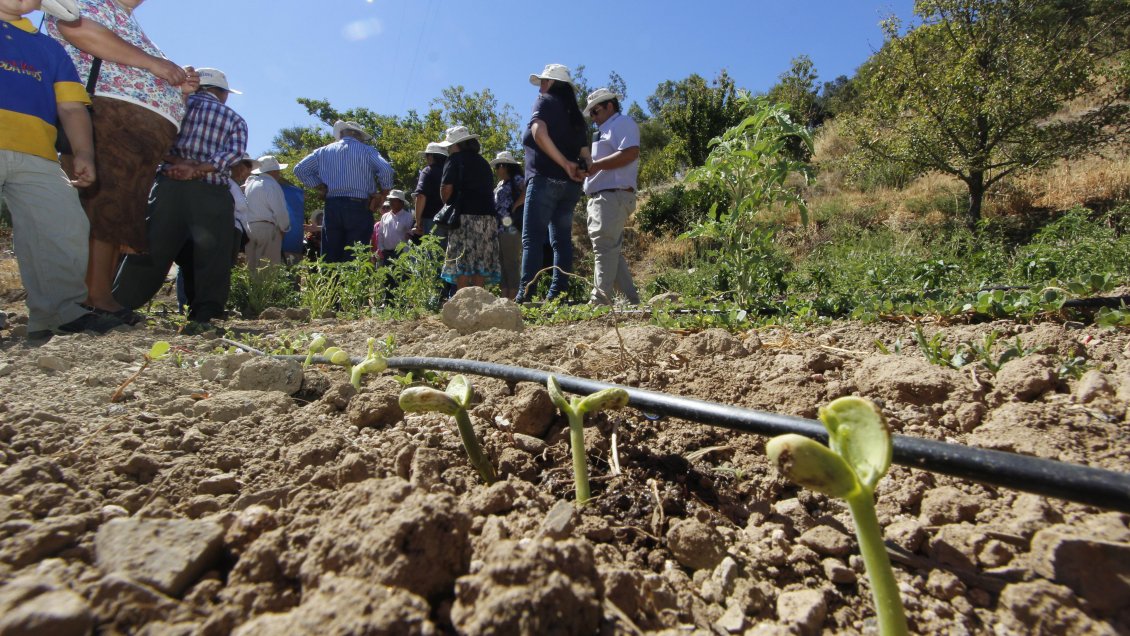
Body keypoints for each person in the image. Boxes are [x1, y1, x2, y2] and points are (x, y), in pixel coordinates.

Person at [47, 0, 197, 324]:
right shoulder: (88, 2)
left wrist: (178, 88)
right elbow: (76, 28)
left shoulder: (127, 21)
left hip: (129, 130)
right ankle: (90, 298)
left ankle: (100, 295)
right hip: (105, 118)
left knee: (117, 212)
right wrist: (155, 65)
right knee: (102, 206)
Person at [0, 0, 123, 339]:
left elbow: (71, 107)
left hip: (39, 154)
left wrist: (84, 152)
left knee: (63, 227)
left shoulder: (49, 47)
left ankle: (60, 313)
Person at [113, 67, 248, 328]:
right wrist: (199, 169)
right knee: (213, 255)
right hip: (211, 191)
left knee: (152, 247)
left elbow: (154, 141)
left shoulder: (174, 107)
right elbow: (232, 155)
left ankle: (120, 304)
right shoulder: (234, 119)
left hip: (169, 186)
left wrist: (180, 163)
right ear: (221, 92)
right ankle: (204, 316)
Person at [515, 64, 589, 303]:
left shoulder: (545, 102)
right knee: (561, 242)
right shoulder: (575, 115)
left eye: (543, 82)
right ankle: (558, 295)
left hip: (545, 179)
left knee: (532, 240)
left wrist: (565, 163)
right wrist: (577, 170)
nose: (540, 88)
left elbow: (538, 133)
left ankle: (526, 296)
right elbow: (587, 157)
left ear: (551, 84)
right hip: (570, 187)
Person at [293, 120, 394, 263]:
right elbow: (386, 170)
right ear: (355, 133)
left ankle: (332, 284)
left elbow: (300, 170)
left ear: (342, 133)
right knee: (355, 254)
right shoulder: (367, 151)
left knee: (331, 254)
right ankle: (352, 284)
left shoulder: (324, 151)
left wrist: (320, 186)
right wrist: (384, 193)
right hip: (359, 206)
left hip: (332, 204)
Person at [582, 88, 641, 305]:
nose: (593, 118)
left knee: (605, 247)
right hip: (604, 196)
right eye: (591, 114)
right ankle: (631, 300)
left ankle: (599, 300)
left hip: (611, 195)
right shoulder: (606, 129)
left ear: (609, 106)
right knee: (610, 249)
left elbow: (630, 152)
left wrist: (595, 166)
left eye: (595, 111)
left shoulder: (621, 123)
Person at [175, 153, 255, 312]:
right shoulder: (223, 183)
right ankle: (190, 306)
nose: (246, 172)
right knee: (198, 266)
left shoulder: (232, 185)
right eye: (245, 166)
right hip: (219, 228)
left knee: (218, 268)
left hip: (230, 229)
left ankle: (209, 306)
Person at [437, 126, 500, 290]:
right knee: (480, 260)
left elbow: (446, 189)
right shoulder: (484, 163)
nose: (449, 148)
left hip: (464, 216)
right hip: (488, 218)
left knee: (462, 260)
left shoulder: (454, 160)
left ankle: (462, 302)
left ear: (456, 144)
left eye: (450, 145)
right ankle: (478, 301)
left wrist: (447, 203)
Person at [243, 155, 291, 272]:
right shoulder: (271, 184)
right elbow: (280, 210)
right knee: (268, 270)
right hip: (267, 229)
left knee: (252, 268)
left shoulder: (250, 184)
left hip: (250, 228)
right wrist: (284, 228)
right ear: (274, 171)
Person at [490, 151, 525, 301]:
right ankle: (504, 296)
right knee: (502, 263)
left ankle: (514, 296)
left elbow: (529, 190)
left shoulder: (517, 179)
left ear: (504, 166)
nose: (496, 170)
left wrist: (516, 205)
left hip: (511, 228)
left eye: (498, 166)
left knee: (511, 262)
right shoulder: (500, 184)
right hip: (499, 228)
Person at [411, 141, 447, 238]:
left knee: (433, 251)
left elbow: (421, 196)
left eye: (426, 156)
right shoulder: (450, 171)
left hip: (432, 220)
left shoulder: (428, 171)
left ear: (431, 156)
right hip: (450, 219)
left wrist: (418, 221)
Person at [373, 189, 415, 267]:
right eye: (390, 200)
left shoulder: (408, 216)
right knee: (387, 278)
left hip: (402, 254)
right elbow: (381, 233)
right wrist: (382, 249)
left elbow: (410, 234)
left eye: (394, 200)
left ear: (401, 203)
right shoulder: (385, 216)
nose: (391, 202)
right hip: (386, 254)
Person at [280, 177, 306, 264]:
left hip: (282, 237)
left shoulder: (270, 188)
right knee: (293, 269)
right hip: (294, 239)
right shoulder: (297, 192)